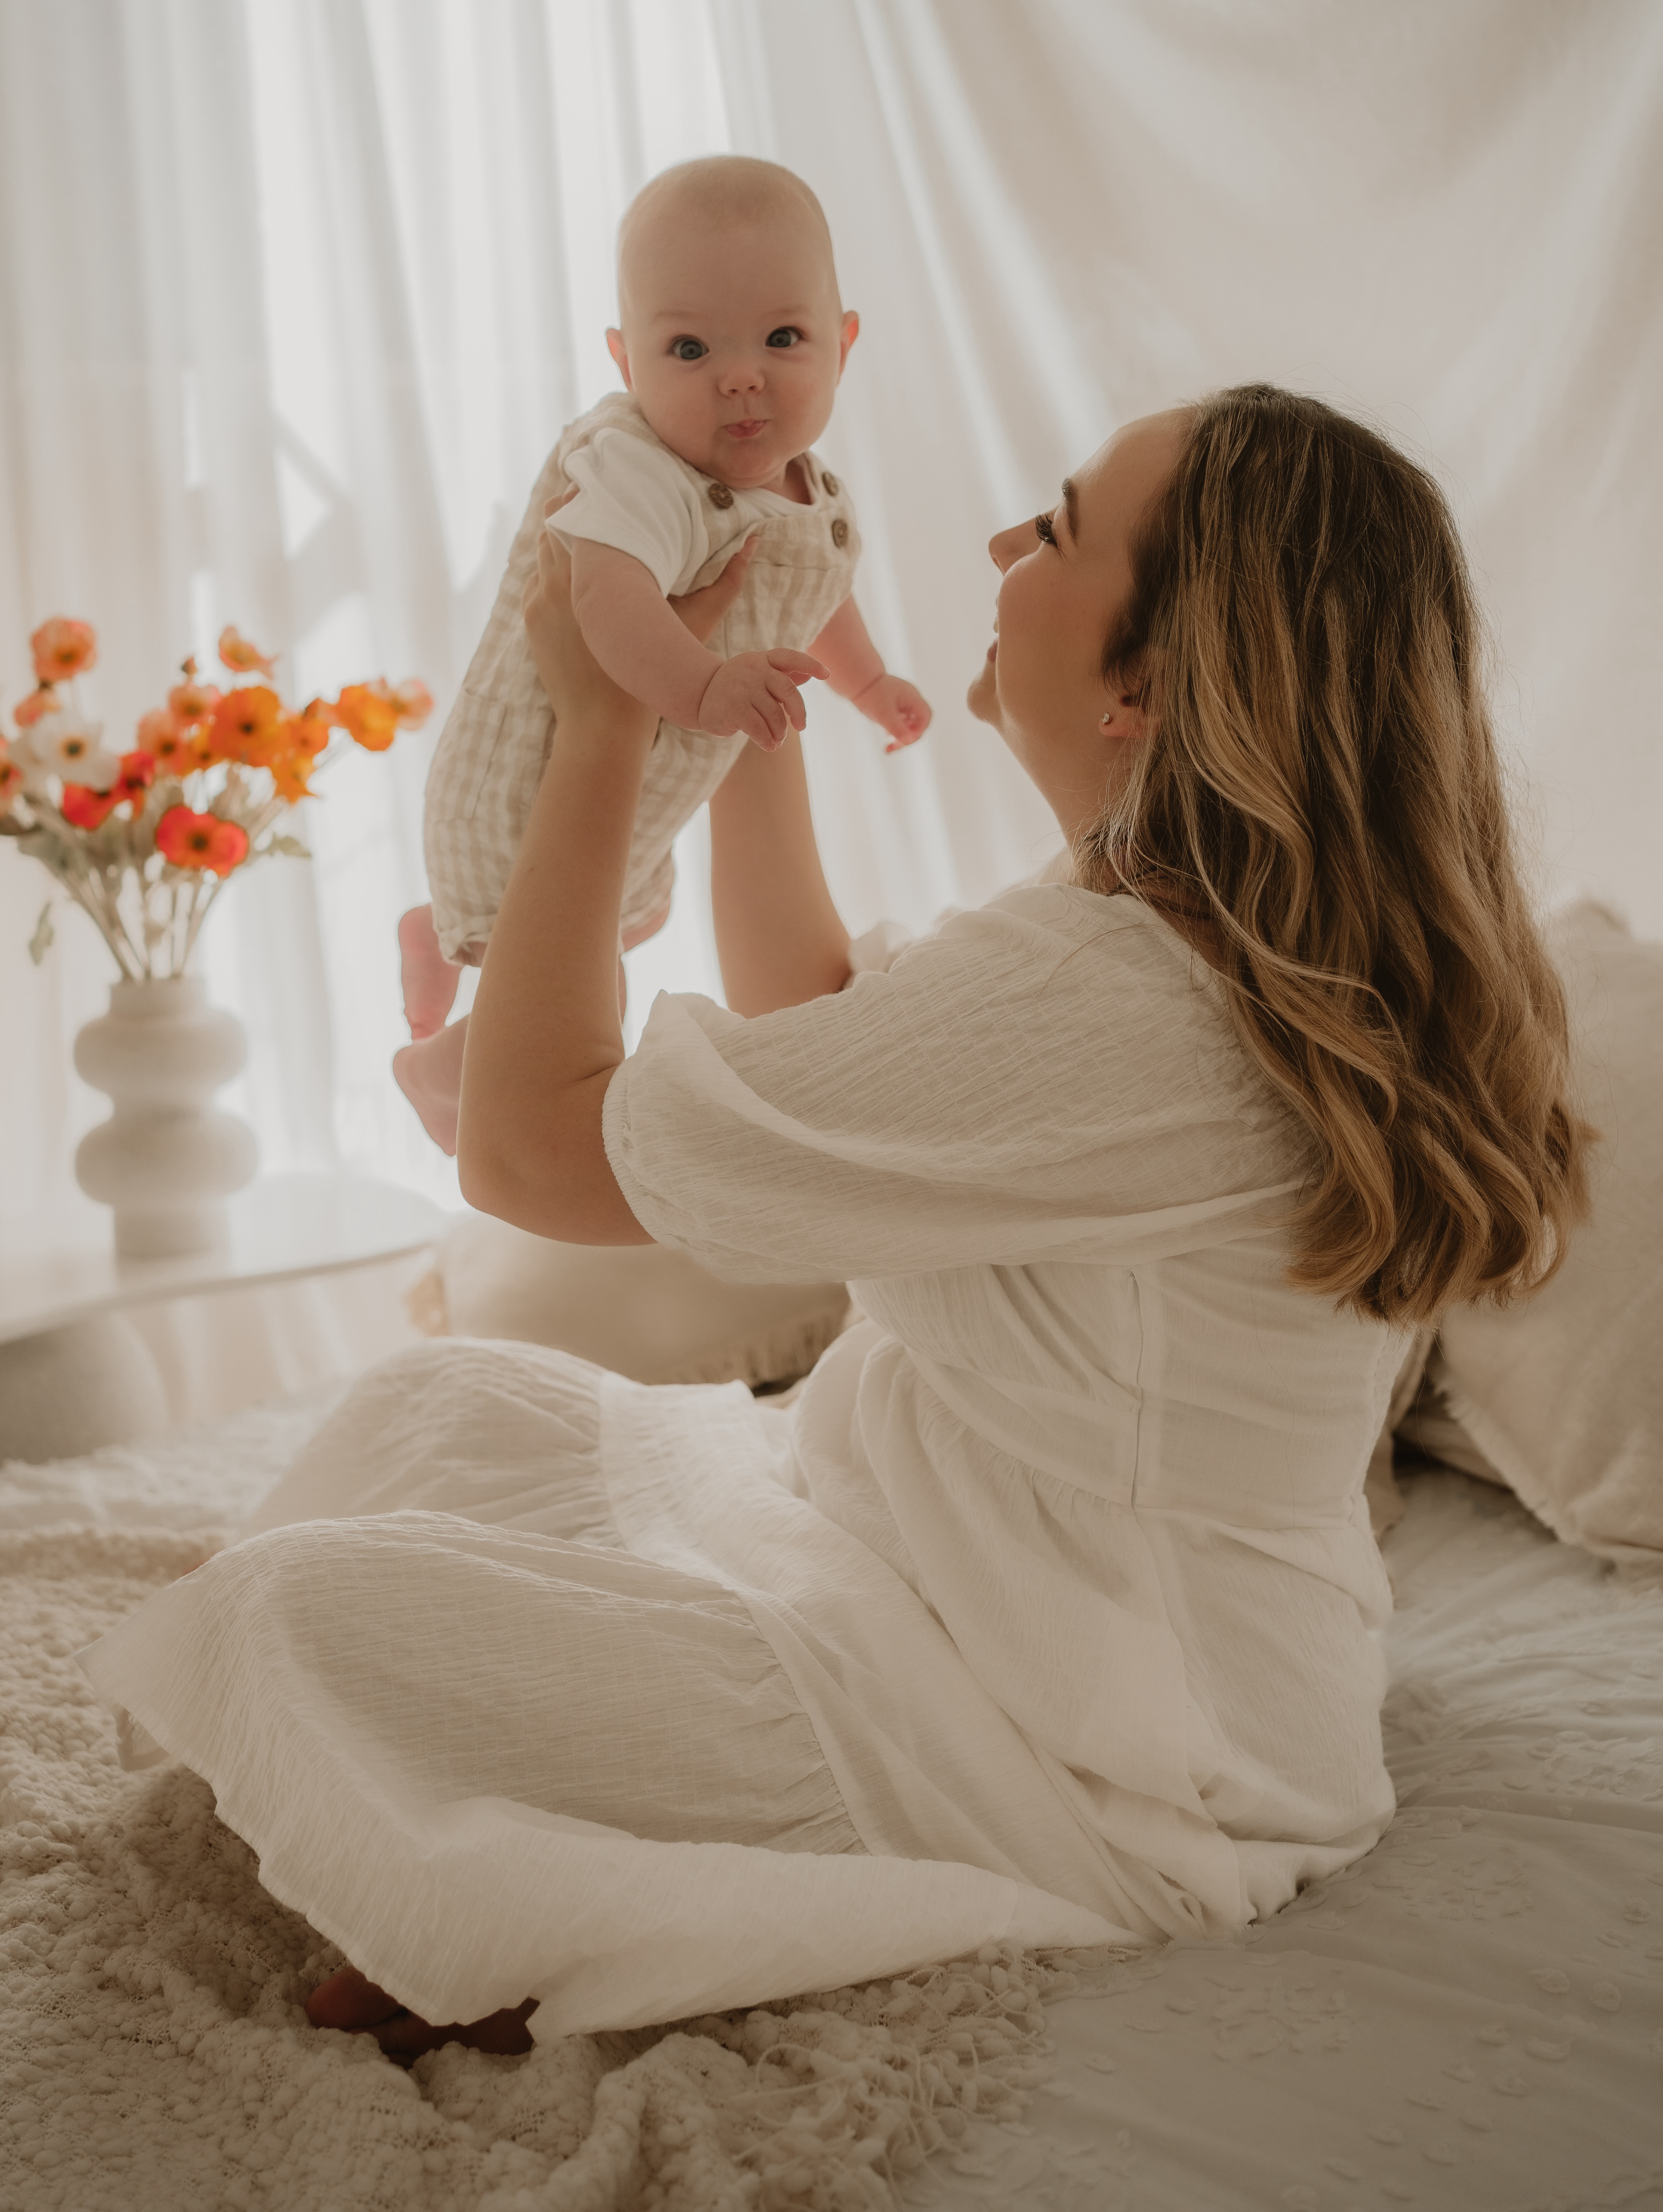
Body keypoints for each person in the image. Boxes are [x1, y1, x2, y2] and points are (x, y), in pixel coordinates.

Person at [83, 385, 1589, 2064]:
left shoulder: (1120, 1003)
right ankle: (536, 1848)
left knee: (294, 1615)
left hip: (1086, 1743)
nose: (1005, 546)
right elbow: (818, 1026)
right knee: (437, 1412)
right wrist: (737, 696)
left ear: (1149, 685)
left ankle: (569, 1884)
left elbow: (530, 1152)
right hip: (973, 1571)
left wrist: (600, 728)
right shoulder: (1160, 937)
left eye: (1057, 531)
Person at [396, 155, 930, 1154]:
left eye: (783, 338)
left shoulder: (801, 485)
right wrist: (707, 683)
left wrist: (867, 683)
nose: (741, 375)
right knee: (580, 998)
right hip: (531, 788)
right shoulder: (637, 467)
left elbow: (813, 587)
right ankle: (432, 1066)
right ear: (626, 362)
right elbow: (606, 599)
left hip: (639, 792)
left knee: (616, 932)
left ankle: (436, 932)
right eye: (689, 347)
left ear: (845, 343)